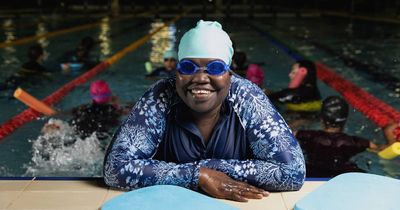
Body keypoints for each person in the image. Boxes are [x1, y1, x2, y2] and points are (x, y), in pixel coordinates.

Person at [104, 20, 305, 202]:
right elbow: (115, 168)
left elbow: (293, 172)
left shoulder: (247, 97)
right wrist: (198, 175)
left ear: (229, 73)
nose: (200, 78)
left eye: (215, 68)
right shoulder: (160, 96)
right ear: (177, 73)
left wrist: (213, 169)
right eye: (188, 67)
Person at [295, 96, 387, 177]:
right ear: (345, 120)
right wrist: (388, 131)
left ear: (322, 119)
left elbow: (286, 136)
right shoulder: (354, 142)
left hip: (312, 173)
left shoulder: (308, 136)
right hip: (342, 176)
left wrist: (302, 120)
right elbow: (381, 150)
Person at [267, 60, 322, 129]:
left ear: (302, 73)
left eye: (293, 72)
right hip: (312, 118)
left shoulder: (293, 94)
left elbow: (268, 99)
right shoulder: (314, 91)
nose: (289, 75)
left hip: (296, 120)